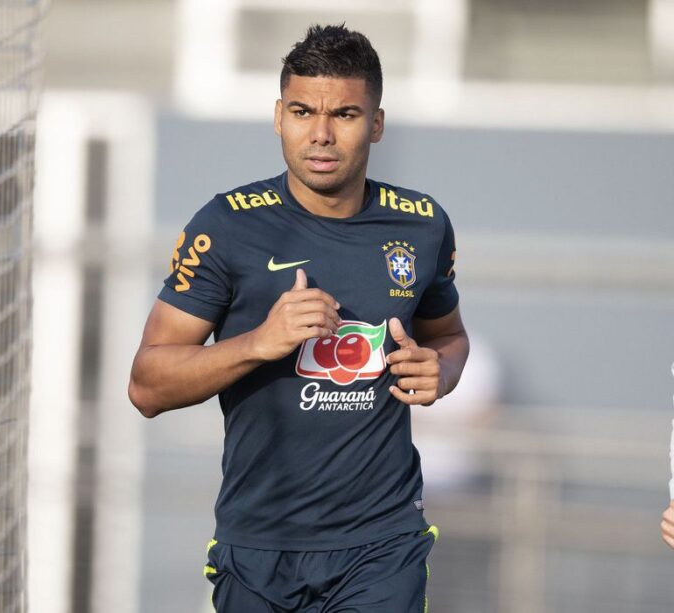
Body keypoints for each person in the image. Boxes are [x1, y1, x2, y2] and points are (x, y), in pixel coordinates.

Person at [128, 24, 469, 612]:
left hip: (382, 544)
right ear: (278, 116)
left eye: (345, 114)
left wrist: (442, 371)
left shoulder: (422, 225)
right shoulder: (226, 225)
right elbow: (146, 386)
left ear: (376, 124)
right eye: (302, 111)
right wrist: (259, 342)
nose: (321, 134)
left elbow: (450, 337)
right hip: (259, 545)